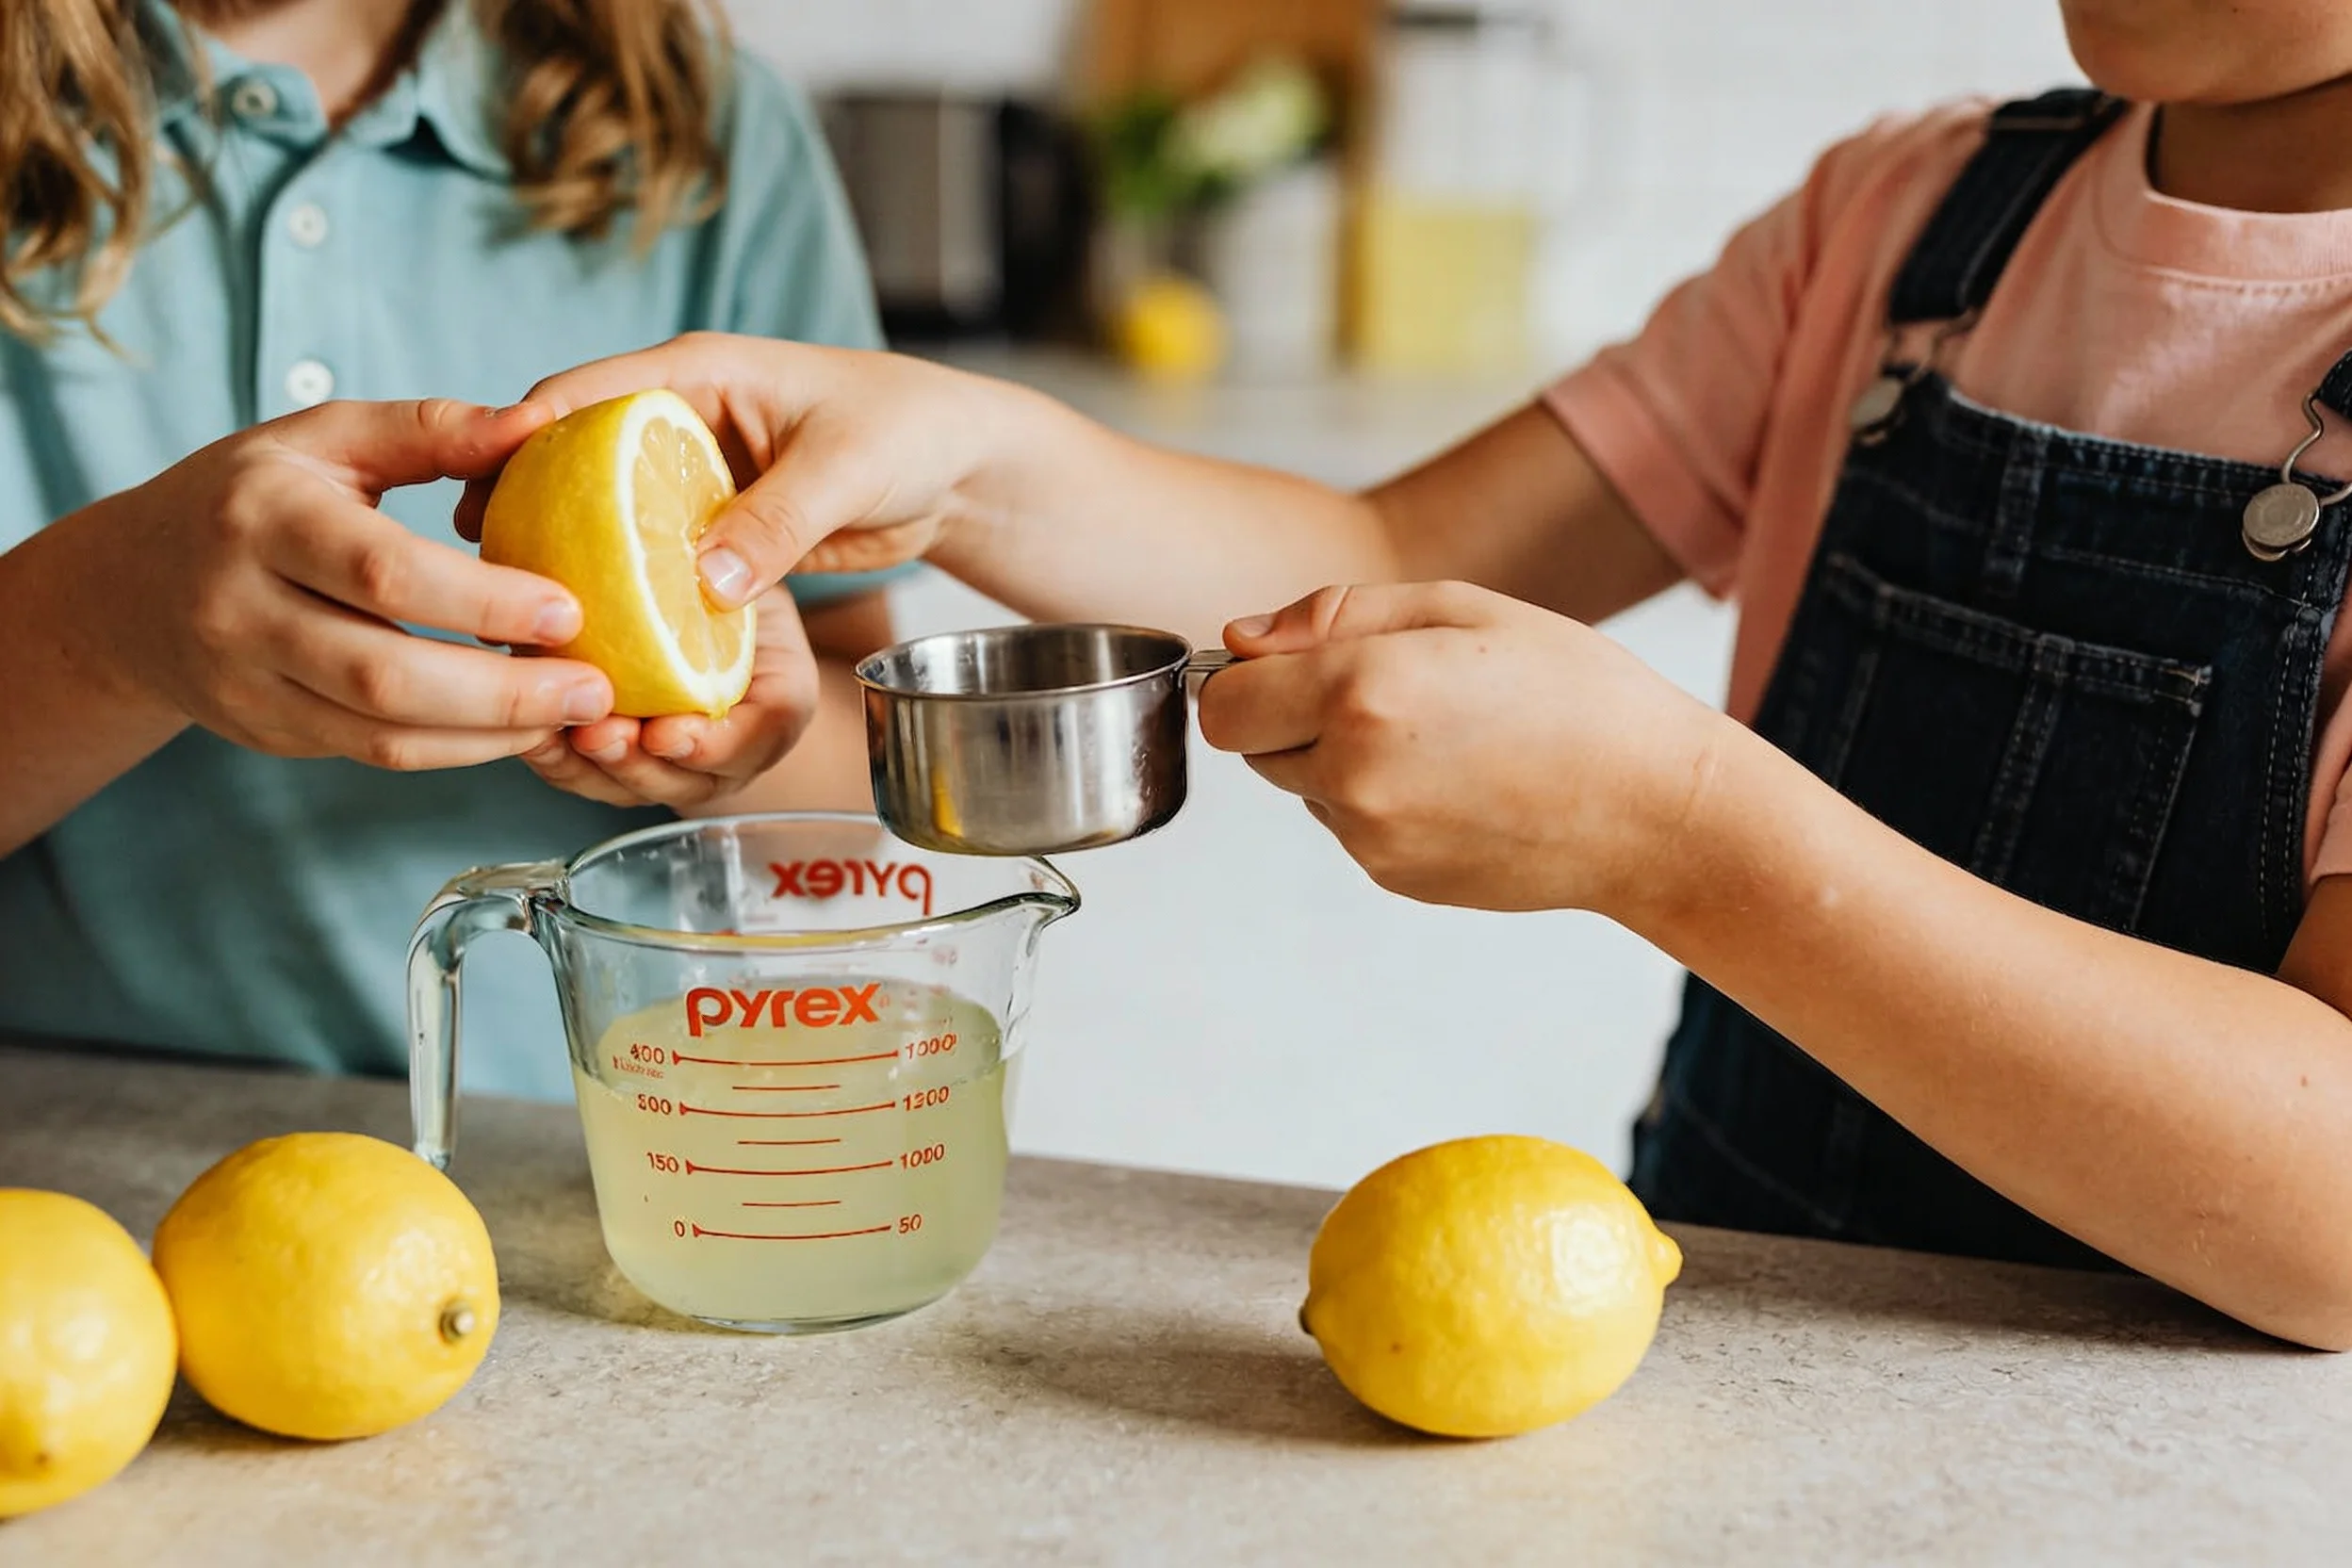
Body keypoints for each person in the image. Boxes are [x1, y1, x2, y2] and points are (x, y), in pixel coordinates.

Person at [498, 2, 2352, 1347]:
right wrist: (967, 458)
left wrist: (1679, 836)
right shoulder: (1911, 219)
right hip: (1721, 1320)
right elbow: (1391, 560)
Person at [0, 0, 899, 1098]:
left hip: (596, 1139)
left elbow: (857, 804)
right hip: (67, 1163)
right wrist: (106, 625)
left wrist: (737, 756)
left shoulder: (706, 129)